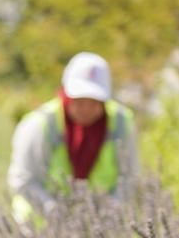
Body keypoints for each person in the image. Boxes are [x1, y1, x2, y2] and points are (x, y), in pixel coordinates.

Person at [8, 51, 138, 224]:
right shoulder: (39, 125)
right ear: (66, 94)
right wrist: (56, 213)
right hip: (41, 226)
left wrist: (110, 211)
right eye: (79, 101)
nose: (86, 109)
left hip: (99, 227)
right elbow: (23, 180)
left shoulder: (121, 123)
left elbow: (129, 177)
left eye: (94, 102)